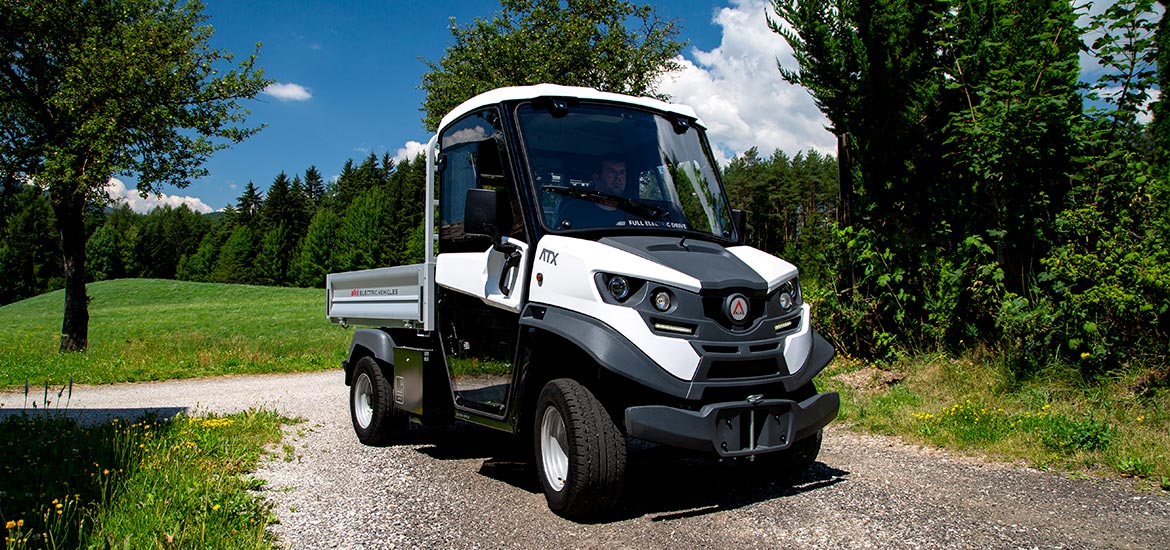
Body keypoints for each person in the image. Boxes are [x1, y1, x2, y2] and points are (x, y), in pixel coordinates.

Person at [555, 157, 633, 229]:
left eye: (622, 172)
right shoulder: (574, 210)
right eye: (611, 172)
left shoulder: (633, 214)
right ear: (596, 177)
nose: (618, 177)